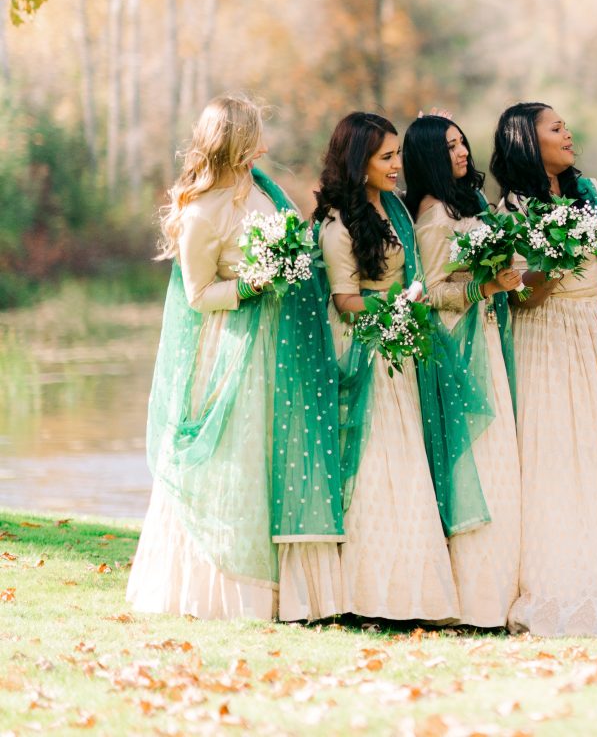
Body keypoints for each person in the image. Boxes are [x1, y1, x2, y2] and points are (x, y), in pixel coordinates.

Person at [128, 93, 345, 622]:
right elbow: (199, 296)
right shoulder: (200, 212)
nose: (264, 145)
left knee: (273, 453)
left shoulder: (262, 192)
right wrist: (250, 286)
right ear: (234, 141)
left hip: (278, 343)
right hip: (231, 348)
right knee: (235, 459)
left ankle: (287, 590)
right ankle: (224, 591)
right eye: (254, 134)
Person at [491, 102, 597, 636]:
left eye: (566, 125)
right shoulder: (509, 212)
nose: (569, 133)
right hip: (545, 338)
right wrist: (553, 263)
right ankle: (557, 584)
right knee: (553, 457)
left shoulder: (590, 197)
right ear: (526, 141)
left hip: (591, 337)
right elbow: (521, 298)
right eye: (555, 128)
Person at [316, 111, 458, 623]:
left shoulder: (395, 210)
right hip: (368, 353)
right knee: (377, 462)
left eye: (398, 154)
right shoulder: (337, 223)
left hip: (400, 349)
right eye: (386, 157)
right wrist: (397, 307)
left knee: (408, 464)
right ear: (360, 162)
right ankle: (368, 593)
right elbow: (345, 300)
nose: (398, 165)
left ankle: (415, 592)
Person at [402, 112, 523, 629]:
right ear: (428, 155)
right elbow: (429, 295)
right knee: (476, 460)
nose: (461, 154)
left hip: (489, 338)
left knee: (502, 461)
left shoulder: (467, 202)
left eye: (461, 144)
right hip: (455, 347)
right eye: (449, 147)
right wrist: (483, 288)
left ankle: (505, 589)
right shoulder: (432, 217)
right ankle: (475, 598)